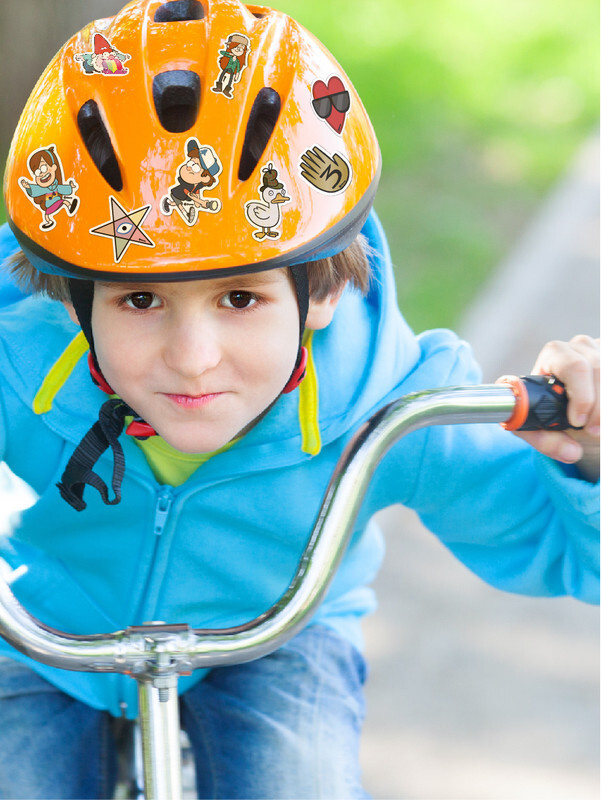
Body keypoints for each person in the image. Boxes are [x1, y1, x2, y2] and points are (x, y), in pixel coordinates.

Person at [0, 1, 598, 798]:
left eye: (240, 300)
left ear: (317, 292)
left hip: (276, 638)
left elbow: (566, 553)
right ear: (75, 302)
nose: (191, 359)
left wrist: (589, 457)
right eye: (138, 302)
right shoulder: (20, 351)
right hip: (52, 629)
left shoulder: (385, 405)